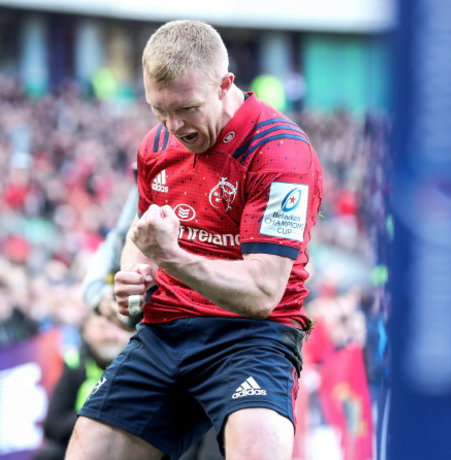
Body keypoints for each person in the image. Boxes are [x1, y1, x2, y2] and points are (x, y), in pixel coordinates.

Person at [66, 19, 323, 460]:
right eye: (159, 110)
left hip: (252, 338)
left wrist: (170, 257)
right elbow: (142, 236)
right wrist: (132, 277)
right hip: (165, 331)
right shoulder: (156, 146)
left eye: (186, 108)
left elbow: (263, 291)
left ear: (225, 84)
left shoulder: (280, 153)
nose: (174, 125)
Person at [34, 305, 134, 460]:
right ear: (86, 331)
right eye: (103, 327)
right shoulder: (74, 366)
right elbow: (53, 425)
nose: (111, 335)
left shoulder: (143, 368)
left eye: (120, 327)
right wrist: (99, 415)